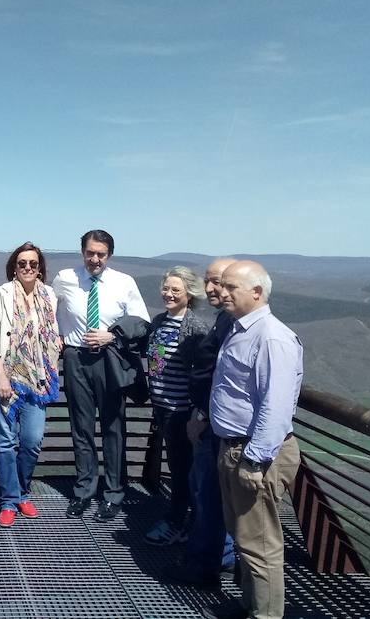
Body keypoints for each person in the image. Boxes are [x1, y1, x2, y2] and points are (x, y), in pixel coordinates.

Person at [201, 261, 303, 619]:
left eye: (232, 288)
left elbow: (275, 407)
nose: (221, 293)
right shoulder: (240, 329)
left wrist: (255, 460)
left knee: (260, 546)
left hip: (253, 453)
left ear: (257, 292)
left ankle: (266, 615)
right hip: (234, 447)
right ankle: (248, 605)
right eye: (221, 285)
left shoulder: (271, 338)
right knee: (244, 537)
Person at [52, 229, 150, 521]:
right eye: (90, 253)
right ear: (82, 252)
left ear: (109, 255)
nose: (95, 259)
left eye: (101, 254)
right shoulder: (64, 278)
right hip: (75, 357)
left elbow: (141, 322)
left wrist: (112, 336)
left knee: (113, 427)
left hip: (109, 358)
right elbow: (49, 311)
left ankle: (114, 494)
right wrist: (56, 334)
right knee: (80, 428)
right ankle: (83, 492)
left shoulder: (124, 282)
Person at [0, 242, 61, 527]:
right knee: (5, 443)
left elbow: (50, 332)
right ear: (14, 266)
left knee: (32, 441)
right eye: (22, 263)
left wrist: (55, 346)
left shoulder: (49, 295)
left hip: (36, 381)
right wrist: (0, 375)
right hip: (5, 381)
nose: (27, 268)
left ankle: (22, 489)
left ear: (40, 269)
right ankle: (10, 499)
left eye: (33, 264)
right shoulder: (1, 294)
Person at [166, 258, 238, 586]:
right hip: (210, 422)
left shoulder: (239, 326)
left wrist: (201, 416)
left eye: (219, 282)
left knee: (210, 495)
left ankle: (209, 565)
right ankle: (212, 558)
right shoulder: (225, 321)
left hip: (221, 427)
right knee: (204, 491)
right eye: (208, 281)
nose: (211, 288)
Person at [143, 266, 208, 545]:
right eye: (166, 288)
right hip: (163, 406)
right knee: (177, 465)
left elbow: (202, 373)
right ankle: (184, 520)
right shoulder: (159, 321)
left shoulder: (194, 328)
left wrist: (198, 412)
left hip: (182, 411)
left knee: (182, 469)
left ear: (190, 294)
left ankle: (180, 523)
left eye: (175, 290)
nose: (168, 294)